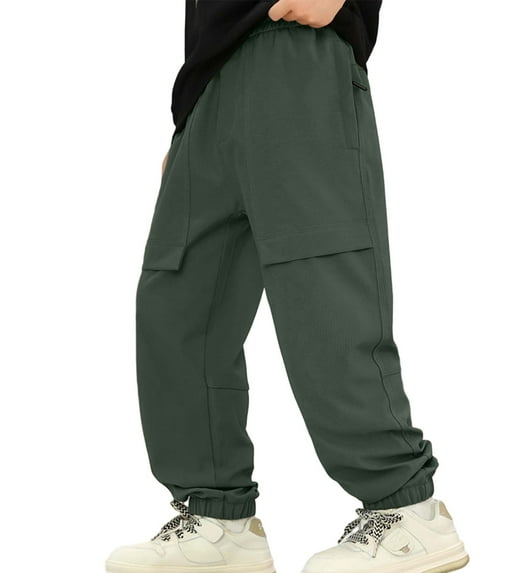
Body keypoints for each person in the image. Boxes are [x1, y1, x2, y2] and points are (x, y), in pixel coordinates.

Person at [106, 1, 470, 572]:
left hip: (295, 51)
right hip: (208, 83)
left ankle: (407, 512)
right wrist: (189, 116)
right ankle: (220, 525)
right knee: (178, 302)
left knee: (321, 289)